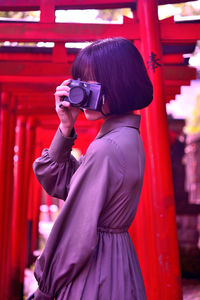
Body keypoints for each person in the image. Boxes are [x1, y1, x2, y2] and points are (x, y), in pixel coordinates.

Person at [31, 37, 153, 300]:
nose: (82, 93)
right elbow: (67, 185)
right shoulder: (127, 137)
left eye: (90, 84)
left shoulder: (107, 147)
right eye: (80, 83)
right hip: (117, 265)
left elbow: (75, 232)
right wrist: (66, 128)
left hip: (94, 273)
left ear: (116, 84)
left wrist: (45, 289)